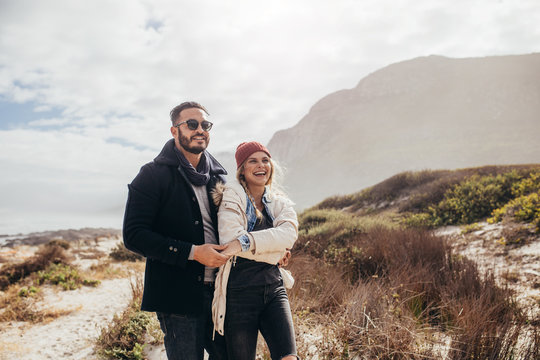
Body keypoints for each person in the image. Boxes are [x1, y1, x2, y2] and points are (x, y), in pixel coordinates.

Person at [123, 101, 231, 360]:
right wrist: (193, 253)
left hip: (222, 293)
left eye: (205, 125)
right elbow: (134, 235)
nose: (200, 130)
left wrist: (272, 252)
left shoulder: (220, 178)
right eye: (191, 124)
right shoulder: (152, 175)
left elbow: (239, 227)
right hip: (177, 297)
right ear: (174, 131)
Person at [211, 141, 299, 360]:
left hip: (273, 289)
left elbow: (289, 235)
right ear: (242, 168)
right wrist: (276, 252)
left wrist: (245, 243)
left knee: (289, 357)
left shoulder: (280, 203)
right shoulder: (231, 194)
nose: (261, 166)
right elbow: (230, 238)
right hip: (239, 294)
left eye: (265, 160)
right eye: (253, 161)